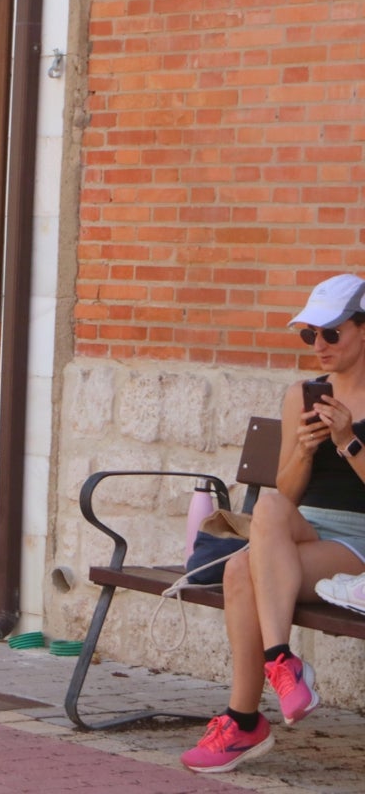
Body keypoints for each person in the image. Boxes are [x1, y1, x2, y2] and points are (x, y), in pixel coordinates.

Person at [181, 273, 365, 773]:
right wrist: (305, 451)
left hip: (358, 541)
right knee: (267, 508)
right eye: (310, 335)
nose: (319, 345)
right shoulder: (302, 394)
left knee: (242, 572)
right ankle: (282, 664)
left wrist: (348, 441)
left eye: (331, 333)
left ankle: (243, 721)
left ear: (363, 329)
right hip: (303, 529)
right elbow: (287, 492)